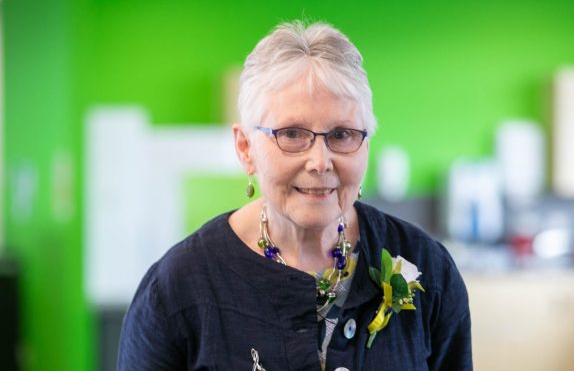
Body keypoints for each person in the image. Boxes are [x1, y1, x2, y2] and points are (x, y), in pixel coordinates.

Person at [118, 20, 472, 371]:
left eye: (343, 134)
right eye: (291, 134)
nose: (320, 162)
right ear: (245, 148)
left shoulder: (428, 268)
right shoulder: (176, 290)